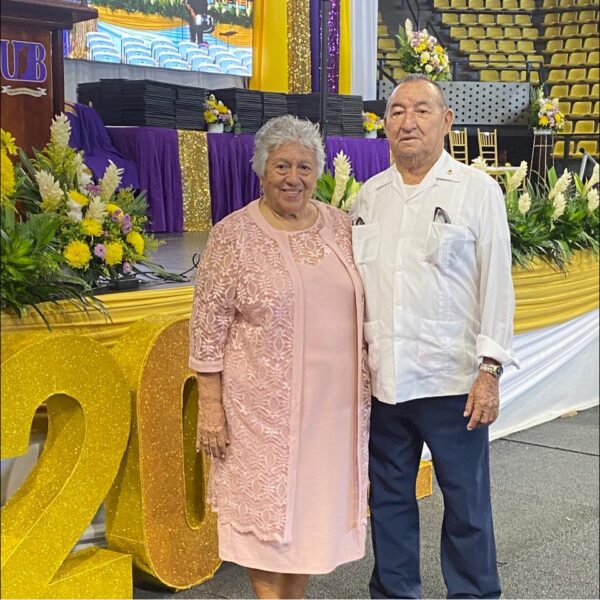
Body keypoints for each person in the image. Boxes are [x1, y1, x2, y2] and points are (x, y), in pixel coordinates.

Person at [350, 74, 520, 599]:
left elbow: (497, 285)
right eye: (397, 111)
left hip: (454, 384)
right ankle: (395, 593)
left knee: (466, 505)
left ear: (446, 121)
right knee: (390, 503)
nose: (409, 122)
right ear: (384, 125)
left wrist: (489, 371)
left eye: (422, 110)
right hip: (386, 384)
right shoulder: (368, 197)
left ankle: (474, 593)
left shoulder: (476, 191)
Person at [189, 115, 371, 599]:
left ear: (318, 172)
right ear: (261, 170)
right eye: (282, 166)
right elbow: (207, 328)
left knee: (309, 523)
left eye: (305, 167)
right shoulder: (233, 235)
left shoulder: (340, 227)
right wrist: (210, 406)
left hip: (333, 414)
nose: (294, 178)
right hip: (261, 417)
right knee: (266, 525)